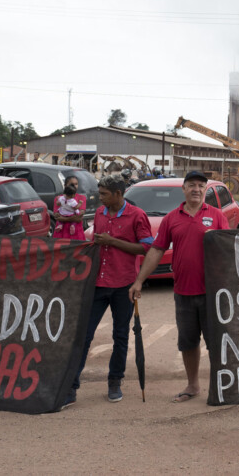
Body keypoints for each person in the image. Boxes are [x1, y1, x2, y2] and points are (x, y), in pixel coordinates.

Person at [129, 170, 229, 403]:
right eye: (192, 185)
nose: (196, 189)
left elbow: (231, 249)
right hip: (183, 292)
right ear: (183, 189)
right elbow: (156, 250)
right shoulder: (172, 218)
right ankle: (193, 385)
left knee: (216, 342)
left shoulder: (216, 215)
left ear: (206, 190)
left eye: (201, 186)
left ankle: (220, 386)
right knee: (188, 341)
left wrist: (219, 239)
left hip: (212, 293)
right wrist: (139, 280)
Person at [63, 174, 153, 408]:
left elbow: (146, 247)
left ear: (118, 193)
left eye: (104, 194)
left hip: (124, 284)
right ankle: (71, 387)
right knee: (84, 336)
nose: (100, 197)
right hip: (97, 284)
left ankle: (115, 381)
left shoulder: (137, 215)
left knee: (120, 336)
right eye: (100, 193)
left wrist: (112, 242)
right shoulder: (101, 214)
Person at [52, 174, 86, 240]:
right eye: (71, 184)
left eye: (76, 184)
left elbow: (79, 217)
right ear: (65, 186)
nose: (74, 186)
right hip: (61, 233)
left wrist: (64, 218)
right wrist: (72, 218)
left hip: (76, 233)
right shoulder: (59, 198)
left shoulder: (82, 198)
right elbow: (56, 216)